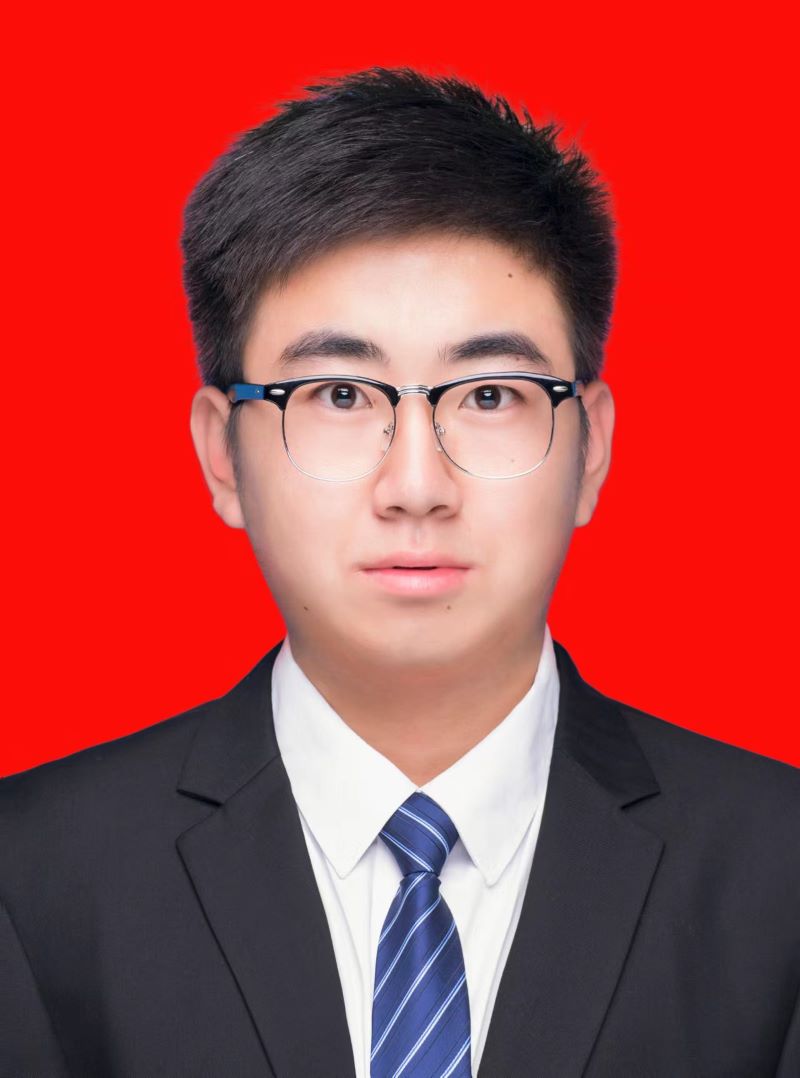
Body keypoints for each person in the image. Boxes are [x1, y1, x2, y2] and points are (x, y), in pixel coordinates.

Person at [1, 66, 798, 1078]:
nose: (416, 486)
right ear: (222, 455)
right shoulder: (33, 876)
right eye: (339, 394)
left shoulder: (778, 872)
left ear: (590, 447)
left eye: (489, 395)